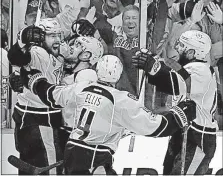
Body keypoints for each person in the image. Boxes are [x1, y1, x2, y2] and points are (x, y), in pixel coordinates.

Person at [20, 54, 196, 175]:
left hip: (73, 149)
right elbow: (157, 128)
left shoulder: (81, 88)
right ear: (119, 76)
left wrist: (33, 78)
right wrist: (181, 114)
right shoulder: (121, 100)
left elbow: (51, 94)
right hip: (95, 156)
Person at [132, 30, 218, 175]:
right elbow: (171, 74)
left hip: (198, 138)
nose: (177, 47)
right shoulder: (191, 68)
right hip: (185, 131)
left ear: (191, 52)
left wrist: (153, 67)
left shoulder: (201, 71)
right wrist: (153, 62)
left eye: (181, 45)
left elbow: (173, 83)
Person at [7, 18, 64, 175]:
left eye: (58, 34)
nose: (57, 40)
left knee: (29, 170)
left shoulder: (52, 51)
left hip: (26, 120)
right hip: (41, 123)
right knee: (51, 170)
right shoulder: (38, 52)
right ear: (40, 37)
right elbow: (16, 57)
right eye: (52, 36)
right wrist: (23, 39)